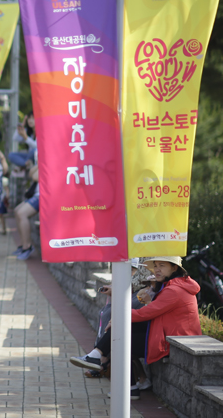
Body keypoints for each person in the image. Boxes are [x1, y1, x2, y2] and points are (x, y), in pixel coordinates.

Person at [69, 255, 201, 399]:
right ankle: (101, 361)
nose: (157, 270)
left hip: (171, 343)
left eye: (162, 266)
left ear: (174, 268)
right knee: (123, 331)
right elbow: (156, 312)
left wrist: (119, 317)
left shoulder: (174, 290)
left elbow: (147, 313)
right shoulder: (174, 285)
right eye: (156, 266)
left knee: (121, 335)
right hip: (166, 335)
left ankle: (98, 358)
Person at [12, 165, 38, 261]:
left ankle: (27, 247)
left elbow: (35, 177)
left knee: (22, 213)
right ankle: (23, 245)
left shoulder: (51, 159)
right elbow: (31, 173)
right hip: (36, 194)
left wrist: (43, 161)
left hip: (43, 195)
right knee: (16, 211)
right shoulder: (42, 158)